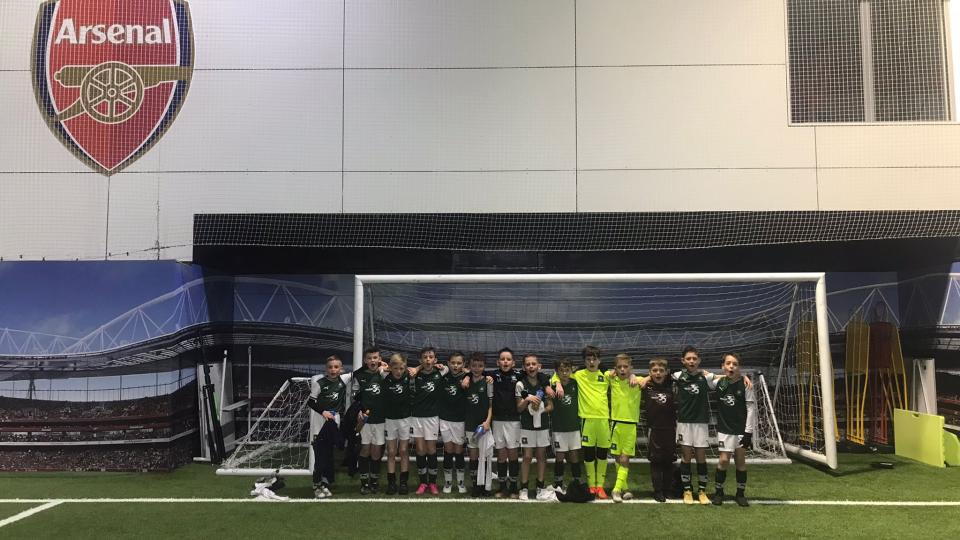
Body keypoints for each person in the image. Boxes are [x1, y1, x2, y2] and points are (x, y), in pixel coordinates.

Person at [479, 347, 554, 498]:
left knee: (513, 454)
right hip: (498, 420)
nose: (505, 362)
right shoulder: (492, 375)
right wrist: (467, 377)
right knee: (501, 455)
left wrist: (547, 385)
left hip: (513, 420)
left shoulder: (520, 375)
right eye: (502, 359)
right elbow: (476, 372)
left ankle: (514, 487)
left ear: (514, 363)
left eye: (508, 359)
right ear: (497, 362)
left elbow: (542, 376)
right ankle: (502, 488)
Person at [554, 345, 611, 499]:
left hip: (604, 420)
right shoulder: (578, 374)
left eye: (594, 359)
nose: (591, 362)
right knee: (589, 454)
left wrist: (635, 377)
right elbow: (556, 375)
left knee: (602, 454)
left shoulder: (606, 375)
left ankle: (601, 486)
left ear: (599, 360)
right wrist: (558, 383)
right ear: (584, 361)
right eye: (588, 359)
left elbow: (625, 376)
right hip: (586, 420)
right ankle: (592, 486)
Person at [710, 353, 755, 507]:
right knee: (723, 460)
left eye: (735, 364)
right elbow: (703, 376)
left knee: (740, 461)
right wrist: (722, 375)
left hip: (741, 429)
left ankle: (740, 494)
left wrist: (748, 432)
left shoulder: (746, 385)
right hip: (724, 429)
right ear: (723, 366)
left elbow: (750, 409)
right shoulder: (718, 383)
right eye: (728, 363)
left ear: (739, 367)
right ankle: (718, 492)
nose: (731, 366)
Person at [307, 354, 353, 499]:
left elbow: (360, 372)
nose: (333, 370)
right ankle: (316, 484)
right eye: (330, 367)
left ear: (341, 369)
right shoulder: (319, 383)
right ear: (326, 369)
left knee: (329, 454)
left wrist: (381, 366)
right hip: (320, 420)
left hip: (335, 420)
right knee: (320, 454)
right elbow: (311, 402)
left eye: (336, 367)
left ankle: (325, 483)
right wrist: (323, 412)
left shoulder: (343, 380)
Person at [515, 354, 553, 501]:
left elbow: (551, 406)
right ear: (524, 367)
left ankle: (540, 487)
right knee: (527, 456)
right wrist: (527, 400)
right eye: (528, 364)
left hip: (542, 426)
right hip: (527, 427)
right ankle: (523, 488)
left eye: (533, 364)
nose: (531, 366)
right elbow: (519, 408)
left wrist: (541, 409)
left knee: (541, 457)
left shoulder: (545, 384)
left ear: (539, 366)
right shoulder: (520, 384)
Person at [642, 357, 677, 503]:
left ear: (666, 372)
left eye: (661, 371)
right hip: (654, 430)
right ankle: (657, 491)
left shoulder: (672, 384)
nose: (658, 373)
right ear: (650, 372)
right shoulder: (646, 385)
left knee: (669, 461)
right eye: (654, 371)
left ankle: (668, 490)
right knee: (656, 461)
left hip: (670, 429)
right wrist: (645, 378)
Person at [410, 346, 444, 495]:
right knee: (420, 450)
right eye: (425, 357)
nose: (428, 360)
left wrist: (440, 365)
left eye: (431, 357)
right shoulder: (414, 375)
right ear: (420, 360)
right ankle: (423, 482)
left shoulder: (440, 372)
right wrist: (417, 368)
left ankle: (433, 483)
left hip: (432, 417)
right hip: (417, 416)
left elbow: (451, 368)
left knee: (431, 450)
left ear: (435, 360)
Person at [607, 353, 641, 503]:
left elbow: (650, 378)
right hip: (614, 423)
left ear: (631, 368)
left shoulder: (637, 381)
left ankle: (616, 489)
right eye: (619, 367)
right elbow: (602, 373)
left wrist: (634, 376)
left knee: (625, 458)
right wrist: (610, 372)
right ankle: (625, 488)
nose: (622, 369)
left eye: (625, 367)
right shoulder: (611, 379)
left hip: (630, 424)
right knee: (616, 457)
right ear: (615, 368)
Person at [354, 347, 386, 495]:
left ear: (379, 359)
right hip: (366, 419)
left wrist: (386, 369)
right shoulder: (358, 375)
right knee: (365, 449)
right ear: (365, 360)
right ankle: (364, 483)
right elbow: (355, 396)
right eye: (369, 358)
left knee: (376, 451)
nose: (373, 361)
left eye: (375, 358)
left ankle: (374, 481)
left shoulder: (385, 373)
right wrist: (359, 410)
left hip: (381, 418)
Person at [381, 353, 412, 495]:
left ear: (405, 367)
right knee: (392, 452)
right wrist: (382, 366)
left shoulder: (409, 376)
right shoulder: (384, 377)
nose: (398, 371)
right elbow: (371, 367)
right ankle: (391, 483)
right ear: (390, 367)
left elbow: (421, 367)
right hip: (389, 420)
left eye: (401, 368)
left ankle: (404, 483)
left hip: (405, 419)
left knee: (404, 451)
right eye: (395, 368)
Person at [463, 352, 494, 497]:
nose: (477, 368)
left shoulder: (488, 382)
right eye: (474, 366)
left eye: (480, 366)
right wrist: (466, 376)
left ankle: (485, 486)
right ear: (469, 367)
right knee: (474, 456)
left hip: (483, 426)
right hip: (470, 426)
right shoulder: (466, 382)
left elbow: (491, 405)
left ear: (484, 367)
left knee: (485, 456)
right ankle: (476, 485)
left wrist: (488, 421)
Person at [438, 351, 469, 494]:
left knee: (459, 450)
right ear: (448, 363)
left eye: (459, 363)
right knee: (448, 450)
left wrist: (468, 375)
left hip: (460, 420)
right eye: (453, 363)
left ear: (463, 365)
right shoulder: (443, 377)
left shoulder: (466, 378)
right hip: (445, 419)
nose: (455, 365)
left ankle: (461, 482)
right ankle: (448, 482)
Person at [550, 357, 582, 493]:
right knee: (560, 456)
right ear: (556, 372)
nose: (564, 373)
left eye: (567, 370)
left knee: (574, 454)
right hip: (559, 428)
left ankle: (577, 481)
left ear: (571, 370)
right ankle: (558, 483)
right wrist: (556, 383)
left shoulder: (576, 384)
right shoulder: (552, 387)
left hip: (574, 427)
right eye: (561, 370)